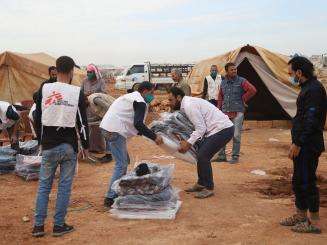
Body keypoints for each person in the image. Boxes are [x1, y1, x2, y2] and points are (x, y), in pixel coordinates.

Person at [32, 56, 89, 238]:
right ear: (72, 71)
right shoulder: (76, 92)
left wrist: (41, 141)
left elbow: (38, 116)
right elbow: (82, 121)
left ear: (55, 70)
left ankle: (38, 226)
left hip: (48, 144)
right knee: (64, 187)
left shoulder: (44, 89)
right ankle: (58, 225)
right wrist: (85, 145)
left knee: (44, 187)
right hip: (68, 146)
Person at [280, 56, 326, 234]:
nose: (291, 76)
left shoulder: (314, 90)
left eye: (292, 73)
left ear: (300, 72)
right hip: (302, 143)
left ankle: (313, 222)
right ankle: (300, 215)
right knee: (299, 180)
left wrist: (298, 143)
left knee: (307, 181)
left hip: (308, 144)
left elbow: (312, 121)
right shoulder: (307, 88)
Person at [100, 81, 163, 208]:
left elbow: (134, 123)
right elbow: (138, 124)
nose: (152, 95)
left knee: (124, 161)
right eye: (151, 93)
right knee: (121, 164)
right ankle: (110, 197)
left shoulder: (130, 97)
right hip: (115, 130)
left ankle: (120, 190)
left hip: (108, 128)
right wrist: (154, 136)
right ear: (144, 91)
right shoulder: (139, 101)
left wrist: (147, 132)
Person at [168, 87, 234, 199]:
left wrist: (188, 143)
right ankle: (201, 183)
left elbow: (201, 128)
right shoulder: (186, 105)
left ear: (178, 97)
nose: (170, 103)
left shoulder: (189, 105)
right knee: (200, 153)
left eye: (171, 100)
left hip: (222, 129)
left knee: (203, 155)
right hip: (215, 130)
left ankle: (208, 187)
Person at [217, 62, 257, 164]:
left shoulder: (241, 81)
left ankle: (235, 156)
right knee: (223, 134)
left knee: (236, 135)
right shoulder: (223, 82)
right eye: (232, 69)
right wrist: (218, 109)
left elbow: (252, 90)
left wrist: (243, 98)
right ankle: (222, 156)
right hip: (225, 112)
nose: (234, 71)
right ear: (227, 71)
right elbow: (220, 96)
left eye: (235, 69)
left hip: (238, 111)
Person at [82, 64, 110, 161]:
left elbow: (104, 93)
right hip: (87, 107)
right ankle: (89, 148)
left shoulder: (101, 81)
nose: (88, 74)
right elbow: (81, 92)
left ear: (95, 72)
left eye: (90, 72)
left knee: (98, 129)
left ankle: (99, 148)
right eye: (88, 72)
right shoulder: (85, 81)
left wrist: (94, 95)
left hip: (97, 107)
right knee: (89, 127)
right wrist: (86, 94)